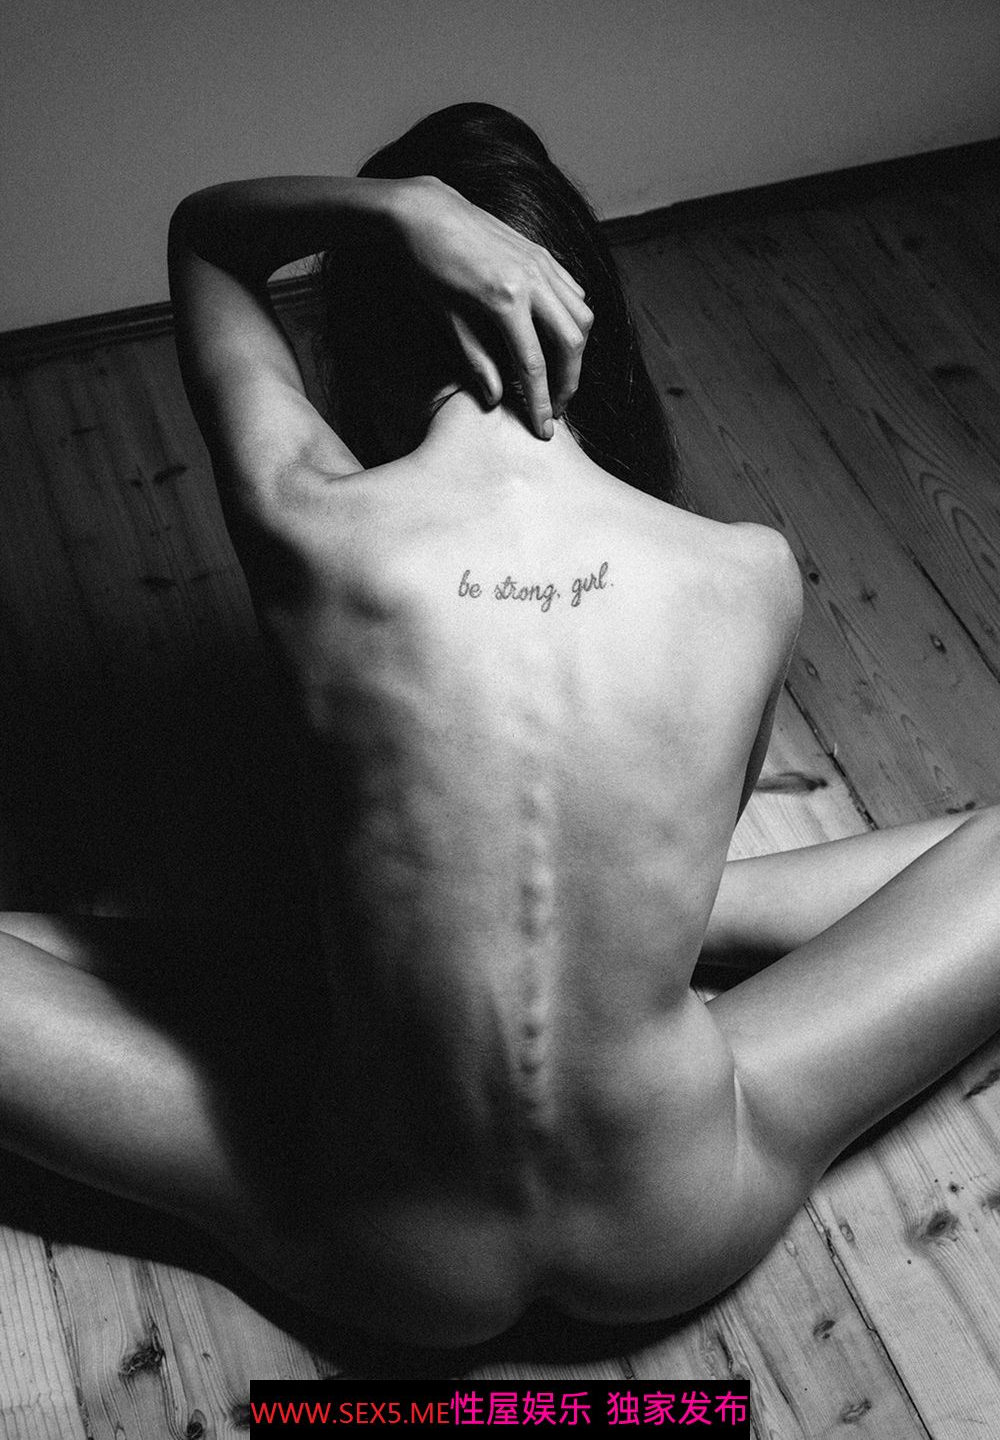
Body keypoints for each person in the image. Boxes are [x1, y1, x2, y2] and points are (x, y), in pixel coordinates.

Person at [1, 104, 998, 1350]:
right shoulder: (747, 572)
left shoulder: (307, 515)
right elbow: (710, 818)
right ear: (590, 320)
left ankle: (374, 947)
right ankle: (621, 926)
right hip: (681, 1209)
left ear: (367, 335)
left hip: (377, 1240)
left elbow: (207, 240)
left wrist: (399, 212)